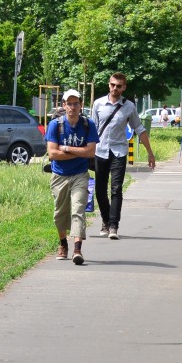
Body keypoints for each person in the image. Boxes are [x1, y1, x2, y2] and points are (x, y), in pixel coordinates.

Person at [92, 72, 157, 240]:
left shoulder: (129, 107)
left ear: (124, 87)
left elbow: (139, 129)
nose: (115, 88)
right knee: (100, 190)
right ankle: (105, 220)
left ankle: (113, 225)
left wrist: (150, 153)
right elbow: (92, 130)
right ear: (109, 85)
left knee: (116, 189)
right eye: (113, 85)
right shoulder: (98, 104)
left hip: (119, 152)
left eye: (119, 86)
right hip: (100, 151)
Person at [46, 88, 98, 264]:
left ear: (81, 105)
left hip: (80, 175)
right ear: (64, 105)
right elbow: (52, 154)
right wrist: (80, 152)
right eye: (69, 104)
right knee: (60, 213)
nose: (73, 107)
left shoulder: (88, 124)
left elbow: (91, 152)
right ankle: (63, 244)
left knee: (78, 210)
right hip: (59, 175)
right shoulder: (55, 125)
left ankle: (77, 250)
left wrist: (67, 149)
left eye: (76, 103)